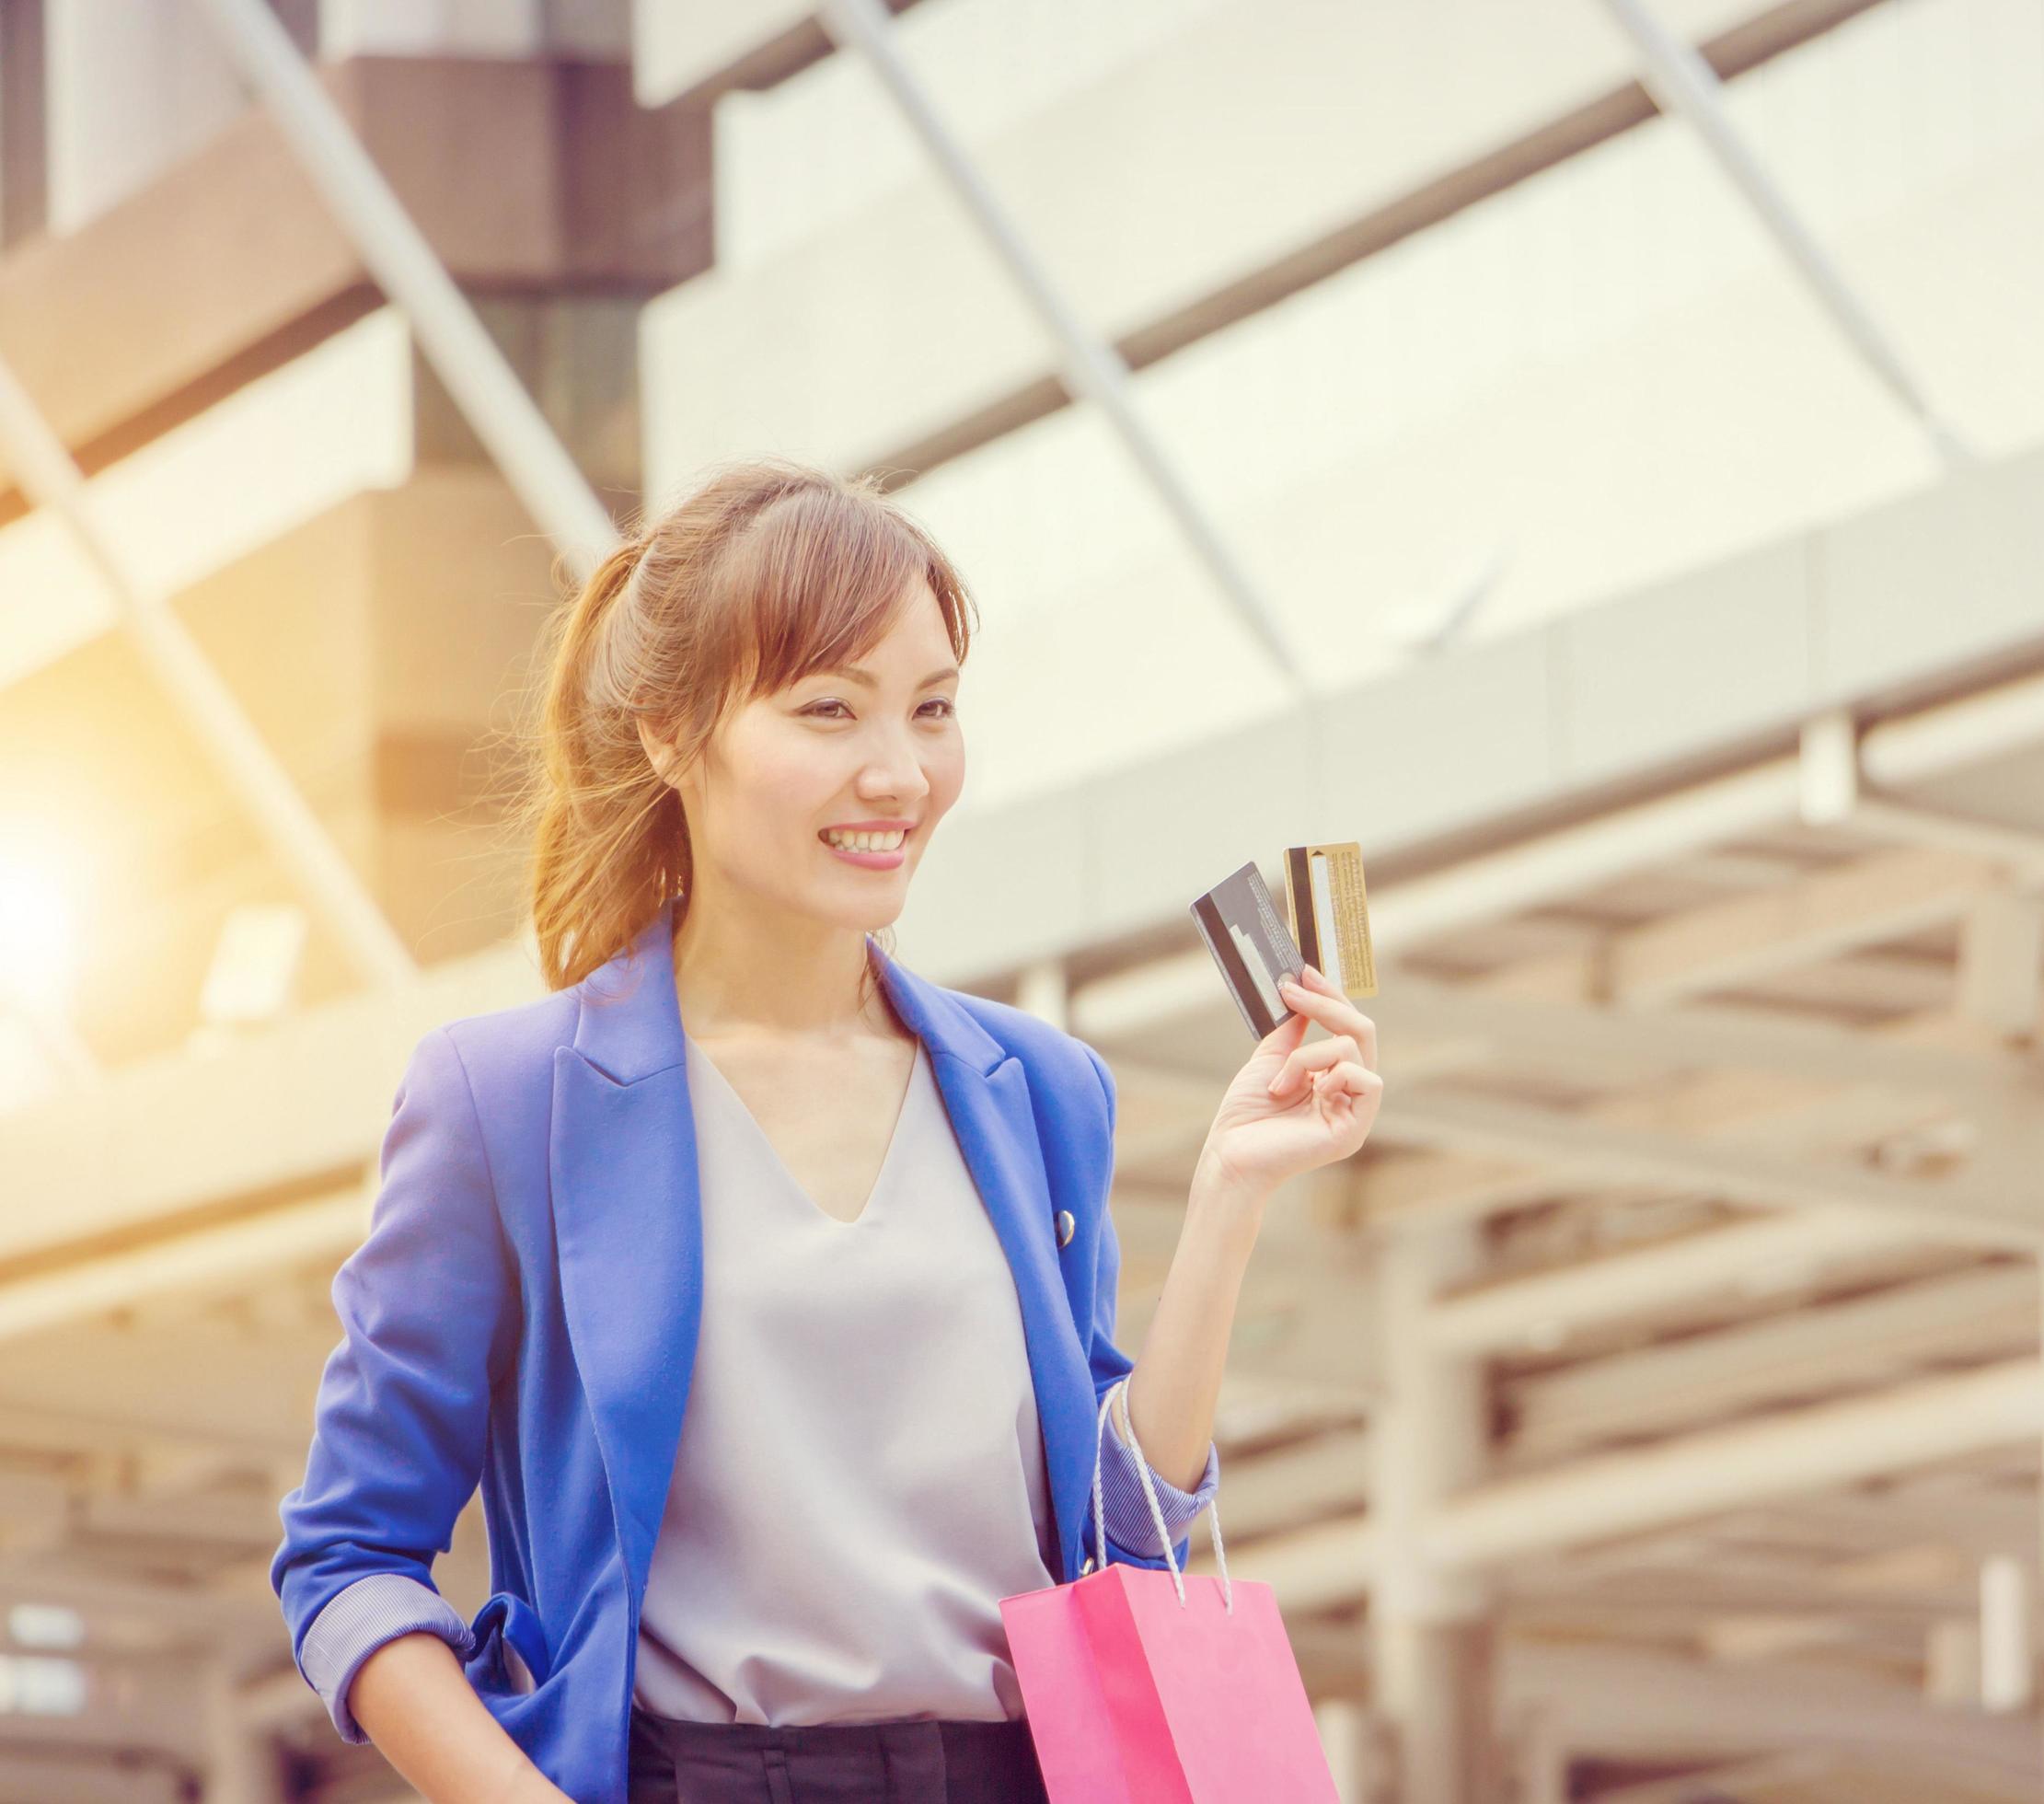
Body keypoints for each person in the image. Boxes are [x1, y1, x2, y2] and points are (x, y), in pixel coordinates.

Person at [267, 460, 1384, 1803]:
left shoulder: (1039, 1088)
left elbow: (1120, 1541)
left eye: (932, 710)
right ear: (673, 735)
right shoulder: (507, 1099)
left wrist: (1229, 1196)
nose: (898, 774)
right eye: (828, 710)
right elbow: (348, 1561)